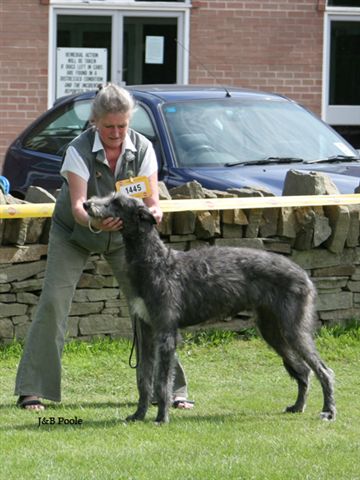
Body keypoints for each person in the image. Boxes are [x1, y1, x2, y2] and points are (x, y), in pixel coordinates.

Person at [15, 83, 194, 411]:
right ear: (95, 121)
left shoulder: (143, 149)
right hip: (74, 232)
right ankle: (32, 390)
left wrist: (155, 212)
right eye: (109, 126)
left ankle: (170, 390)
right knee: (54, 302)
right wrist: (96, 223)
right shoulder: (77, 150)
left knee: (152, 307)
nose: (116, 133)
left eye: (122, 126)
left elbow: (152, 202)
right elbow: (80, 206)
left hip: (124, 238)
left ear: (130, 121)